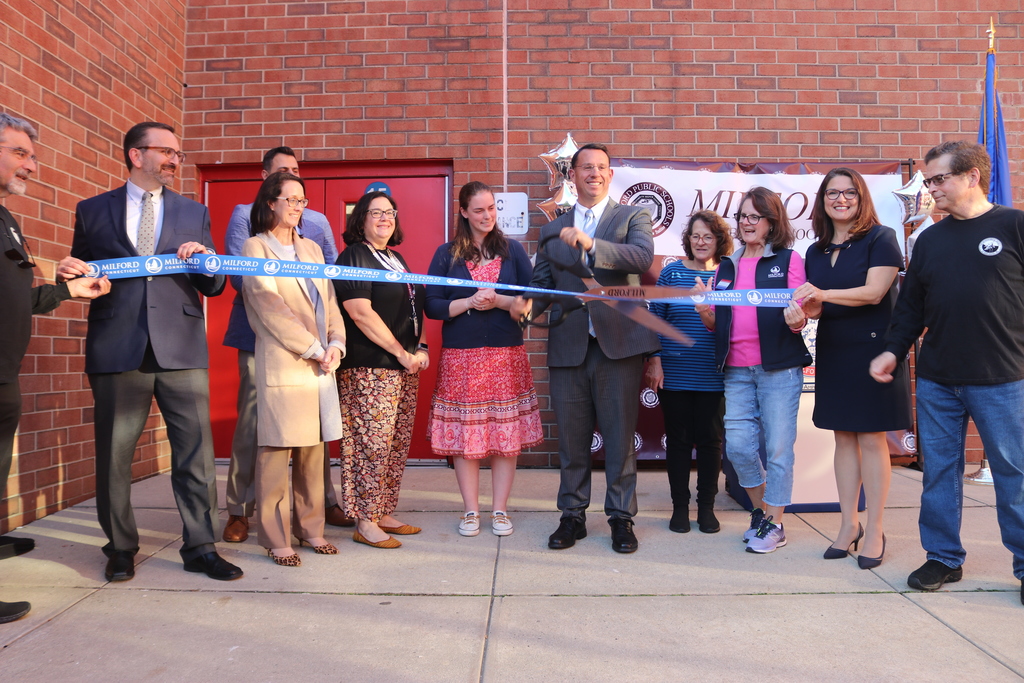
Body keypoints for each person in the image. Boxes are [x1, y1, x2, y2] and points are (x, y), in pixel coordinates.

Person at [57, 122, 242, 582]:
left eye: (178, 153)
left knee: (195, 456)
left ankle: (200, 546)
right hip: (117, 348)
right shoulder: (92, 211)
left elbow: (215, 284)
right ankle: (120, 547)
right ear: (136, 155)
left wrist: (206, 260)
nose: (175, 160)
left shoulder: (193, 211)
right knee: (115, 456)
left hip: (180, 349)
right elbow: (83, 276)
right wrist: (69, 274)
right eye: (166, 152)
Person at [870, 140, 1024, 605]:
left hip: (1004, 377)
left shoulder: (1015, 226)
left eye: (939, 178)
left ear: (972, 176)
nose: (930, 187)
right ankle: (942, 557)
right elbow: (912, 305)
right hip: (938, 379)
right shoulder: (930, 239)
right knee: (939, 472)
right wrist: (894, 350)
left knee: (1013, 474)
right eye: (929, 179)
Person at [512, 142, 659, 554]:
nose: (594, 173)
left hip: (619, 345)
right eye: (586, 167)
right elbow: (541, 285)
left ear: (610, 175)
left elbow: (642, 257)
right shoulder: (550, 229)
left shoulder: (632, 215)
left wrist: (591, 244)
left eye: (601, 167)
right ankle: (572, 515)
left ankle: (620, 519)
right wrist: (526, 307)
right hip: (568, 346)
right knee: (572, 441)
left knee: (618, 439)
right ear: (571, 176)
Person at [0, 113, 111, 623]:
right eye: (20, 153)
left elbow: (23, 296)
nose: (33, 165)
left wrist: (68, 289)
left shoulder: (7, 218)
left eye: (32, 154)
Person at [221, 146, 349, 545]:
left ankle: (312, 529)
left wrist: (336, 343)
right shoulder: (253, 242)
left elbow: (329, 296)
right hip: (281, 353)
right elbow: (263, 298)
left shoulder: (312, 245)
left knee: (313, 447)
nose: (298, 206)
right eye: (290, 198)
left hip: (319, 360)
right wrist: (312, 345)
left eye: (301, 198)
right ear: (270, 199)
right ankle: (264, 528)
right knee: (269, 443)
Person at [792, 168, 911, 569]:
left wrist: (823, 294)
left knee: (871, 439)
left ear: (861, 198)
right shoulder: (816, 250)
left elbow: (875, 292)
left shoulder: (881, 238)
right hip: (836, 348)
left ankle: (874, 528)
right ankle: (849, 525)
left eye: (849, 193)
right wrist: (804, 310)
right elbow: (820, 306)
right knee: (842, 438)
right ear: (823, 201)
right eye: (832, 193)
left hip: (876, 351)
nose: (840, 199)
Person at [694, 186, 811, 554]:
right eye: (742, 216)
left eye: (754, 216)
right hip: (736, 372)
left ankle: (775, 523)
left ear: (771, 222)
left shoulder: (789, 260)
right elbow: (718, 323)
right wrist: (704, 310)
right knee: (741, 448)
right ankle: (761, 512)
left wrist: (797, 321)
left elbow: (799, 316)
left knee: (777, 449)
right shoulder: (726, 265)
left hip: (779, 369)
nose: (746, 223)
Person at [425, 181, 542, 537]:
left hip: (506, 356)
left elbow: (531, 302)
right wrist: (469, 302)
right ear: (463, 212)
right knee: (466, 438)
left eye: (491, 208)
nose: (487, 215)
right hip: (463, 358)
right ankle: (471, 511)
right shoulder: (446, 254)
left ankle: (500, 511)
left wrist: (503, 302)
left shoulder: (513, 251)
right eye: (478, 210)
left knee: (505, 437)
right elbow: (431, 304)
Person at [334, 192, 427, 549]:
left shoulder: (395, 258)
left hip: (403, 365)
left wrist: (420, 348)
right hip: (370, 368)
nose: (385, 218)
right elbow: (360, 312)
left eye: (390, 212)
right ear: (361, 219)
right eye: (376, 213)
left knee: (395, 442)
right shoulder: (355, 255)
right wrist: (400, 353)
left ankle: (383, 510)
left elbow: (413, 308)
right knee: (369, 444)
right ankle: (364, 519)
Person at [646, 210, 733, 535]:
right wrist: (655, 359)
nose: (701, 241)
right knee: (679, 441)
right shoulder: (671, 274)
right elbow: (655, 320)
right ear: (688, 239)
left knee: (711, 442)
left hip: (714, 375)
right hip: (675, 373)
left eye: (708, 236)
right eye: (696, 235)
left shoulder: (727, 276)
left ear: (718, 240)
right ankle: (680, 507)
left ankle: (706, 508)